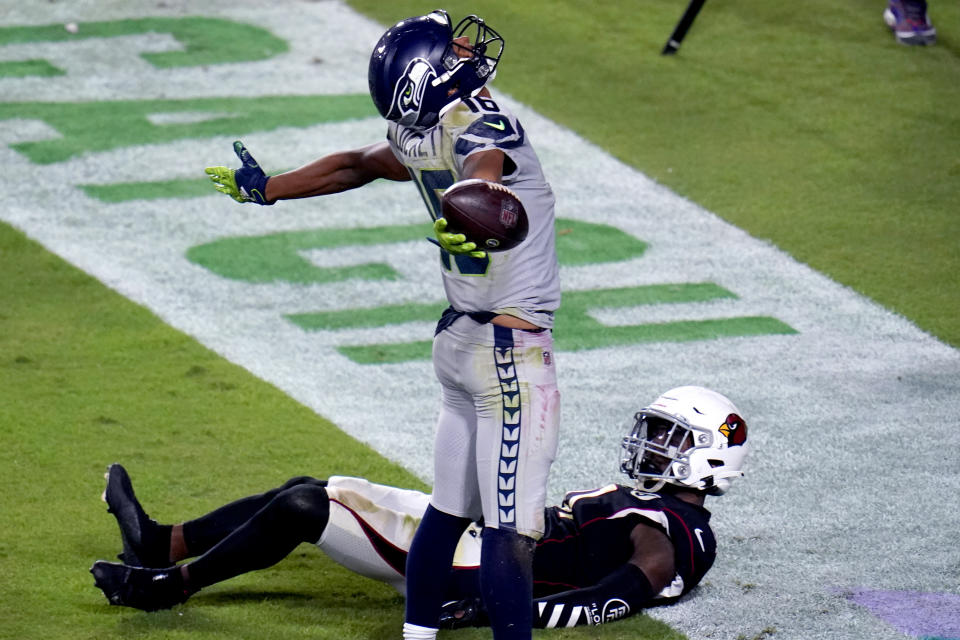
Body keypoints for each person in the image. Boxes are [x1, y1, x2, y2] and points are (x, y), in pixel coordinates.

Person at [203, 10, 561, 640]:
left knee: (448, 513)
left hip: (458, 343)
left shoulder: (414, 131)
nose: (465, 47)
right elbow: (485, 166)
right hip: (508, 351)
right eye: (450, 46)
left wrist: (272, 188)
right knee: (511, 532)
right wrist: (472, 200)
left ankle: (416, 635)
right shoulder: (478, 120)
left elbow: (356, 163)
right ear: (430, 75)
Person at [90, 385, 750, 630]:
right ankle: (163, 541)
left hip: (478, 560)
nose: (651, 446)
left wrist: (503, 606)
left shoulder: (675, 532)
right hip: (479, 533)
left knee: (301, 507)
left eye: (670, 439)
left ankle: (166, 587)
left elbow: (620, 592)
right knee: (309, 484)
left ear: (709, 457)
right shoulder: (648, 503)